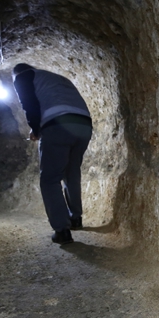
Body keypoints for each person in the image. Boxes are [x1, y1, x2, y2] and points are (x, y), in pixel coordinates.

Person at [12, 63, 93, 245]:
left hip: (58, 124)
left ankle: (62, 230)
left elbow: (29, 104)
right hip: (84, 124)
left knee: (50, 178)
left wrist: (35, 128)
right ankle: (75, 218)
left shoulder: (23, 76)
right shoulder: (56, 78)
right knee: (71, 172)